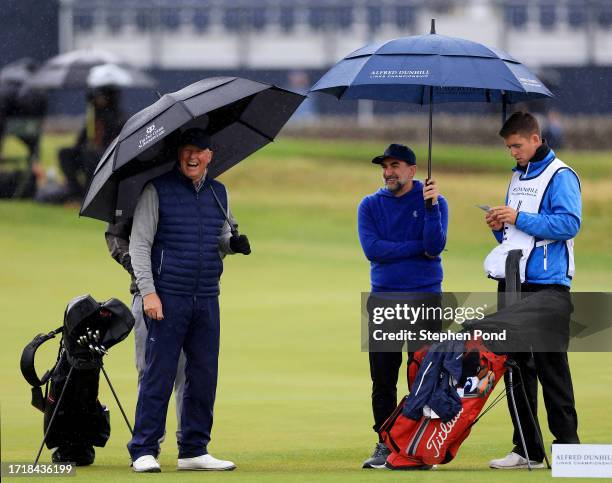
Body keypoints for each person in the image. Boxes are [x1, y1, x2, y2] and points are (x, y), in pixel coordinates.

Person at [127, 128, 251, 473]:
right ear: (178, 154)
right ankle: (143, 449)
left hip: (207, 296)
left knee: (203, 374)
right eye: (186, 150)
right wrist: (149, 293)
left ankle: (194, 450)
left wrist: (232, 244)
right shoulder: (157, 190)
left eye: (199, 151)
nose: (192, 157)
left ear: (210, 155)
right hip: (167, 295)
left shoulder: (218, 193)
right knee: (159, 373)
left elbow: (220, 239)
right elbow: (139, 245)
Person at [484, 111, 581, 469]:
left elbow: (569, 223)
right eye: (509, 147)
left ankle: (569, 450)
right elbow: (515, 233)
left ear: (536, 139)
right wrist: (499, 224)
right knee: (516, 367)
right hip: (512, 281)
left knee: (551, 367)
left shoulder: (562, 175)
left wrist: (518, 217)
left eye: (517, 145)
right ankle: (527, 448)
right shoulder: (516, 176)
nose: (512, 152)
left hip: (548, 286)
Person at [357, 143, 448, 469]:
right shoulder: (369, 205)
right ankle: (385, 443)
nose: (388, 172)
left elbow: (435, 245)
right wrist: (416, 248)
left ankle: (418, 445)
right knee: (382, 379)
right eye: (385, 166)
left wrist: (431, 208)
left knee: (424, 376)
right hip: (385, 298)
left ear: (412, 170)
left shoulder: (434, 202)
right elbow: (374, 250)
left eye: (395, 165)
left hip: (426, 297)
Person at [104, 220, 186, 449]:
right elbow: (115, 235)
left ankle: (189, 443)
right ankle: (149, 444)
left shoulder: (190, 192)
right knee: (149, 370)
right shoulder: (137, 195)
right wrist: (133, 263)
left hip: (187, 294)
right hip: (145, 295)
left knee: (187, 371)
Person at [58, 85, 125, 201]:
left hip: (107, 156)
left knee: (89, 155)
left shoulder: (118, 117)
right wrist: (84, 145)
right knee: (65, 153)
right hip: (87, 153)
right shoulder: (93, 115)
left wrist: (96, 148)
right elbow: (81, 141)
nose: (98, 100)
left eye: (101, 96)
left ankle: (90, 194)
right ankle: (75, 191)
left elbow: (116, 143)